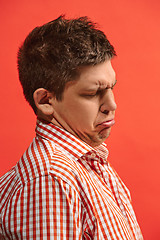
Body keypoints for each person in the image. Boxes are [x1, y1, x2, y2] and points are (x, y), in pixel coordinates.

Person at [0, 16, 143, 239]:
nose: (111, 105)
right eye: (93, 93)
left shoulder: (87, 163)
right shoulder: (51, 179)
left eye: (111, 88)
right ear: (46, 101)